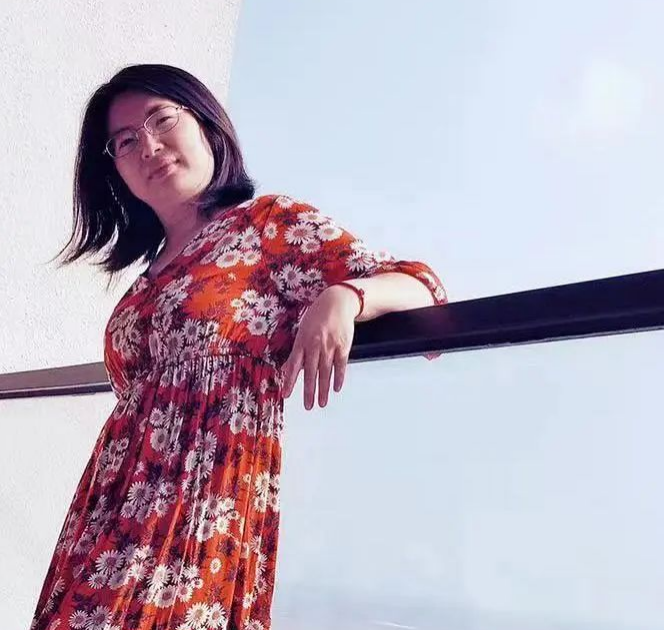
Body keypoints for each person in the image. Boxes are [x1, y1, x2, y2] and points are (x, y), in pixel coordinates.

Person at [33, 64, 447, 630]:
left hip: (197, 509)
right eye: (125, 141)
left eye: (161, 120)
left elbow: (422, 287)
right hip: (108, 514)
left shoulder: (265, 226)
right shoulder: (144, 280)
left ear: (206, 123)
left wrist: (344, 296)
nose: (148, 146)